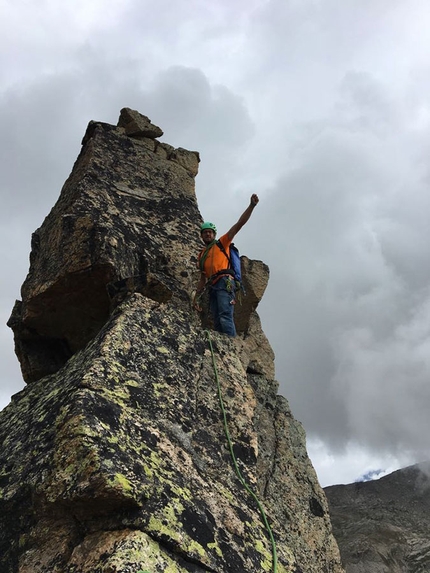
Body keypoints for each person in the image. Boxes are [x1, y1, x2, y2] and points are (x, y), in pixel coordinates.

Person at [193, 194, 259, 336]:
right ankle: (224, 348)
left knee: (224, 315)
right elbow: (202, 279)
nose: (208, 235)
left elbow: (238, 224)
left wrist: (251, 206)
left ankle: (231, 345)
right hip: (212, 285)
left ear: (214, 234)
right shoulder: (202, 255)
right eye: (205, 233)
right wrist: (196, 298)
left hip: (224, 281)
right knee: (217, 320)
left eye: (210, 232)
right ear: (201, 236)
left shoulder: (222, 243)